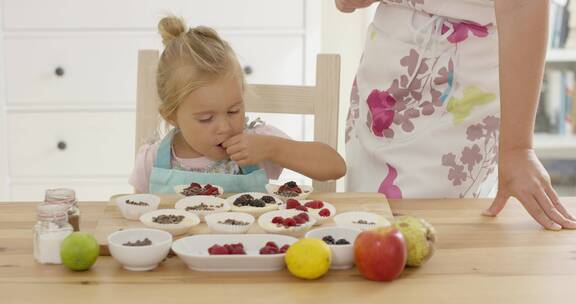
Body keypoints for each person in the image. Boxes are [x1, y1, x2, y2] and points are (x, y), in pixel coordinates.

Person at [338, 0, 576, 230]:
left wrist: (517, 149)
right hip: (380, 77)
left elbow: (522, 4)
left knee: (439, 238)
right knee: (366, 226)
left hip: (460, 88)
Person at [130, 16, 346, 194]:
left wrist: (272, 147)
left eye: (234, 111)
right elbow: (139, 217)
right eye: (206, 118)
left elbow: (335, 167)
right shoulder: (153, 160)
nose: (224, 126)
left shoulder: (257, 143)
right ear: (171, 115)